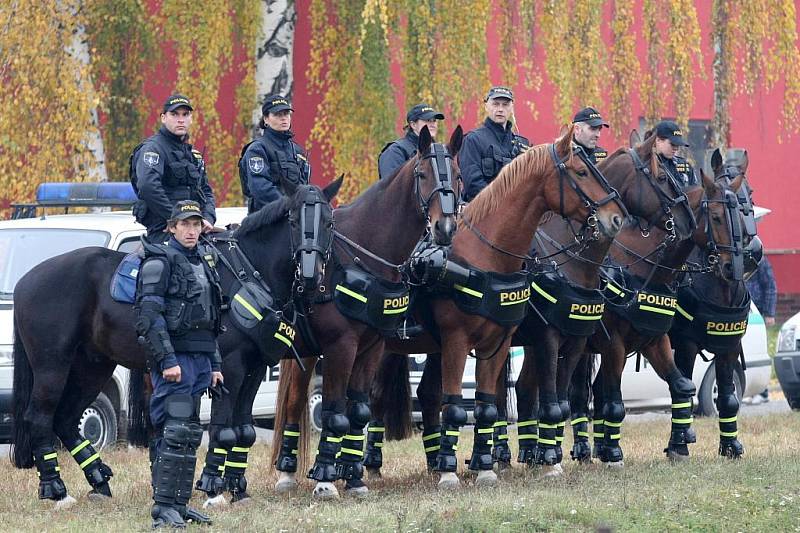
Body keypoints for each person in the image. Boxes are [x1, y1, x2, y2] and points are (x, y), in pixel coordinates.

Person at [135, 200, 224, 528]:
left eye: (196, 224)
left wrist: (214, 363)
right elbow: (149, 316)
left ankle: (180, 503)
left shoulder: (203, 259)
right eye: (184, 224)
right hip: (176, 361)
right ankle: (163, 508)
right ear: (171, 227)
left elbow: (212, 316)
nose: (191, 230)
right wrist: (168, 360)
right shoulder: (160, 261)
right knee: (172, 434)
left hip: (200, 360)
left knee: (187, 435)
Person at [131, 94, 217, 243]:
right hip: (164, 231)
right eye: (174, 114)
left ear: (191, 118)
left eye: (185, 114)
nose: (181, 119)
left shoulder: (192, 154)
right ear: (163, 118)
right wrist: (175, 219)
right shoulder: (153, 149)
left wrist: (208, 218)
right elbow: (148, 187)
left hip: (193, 232)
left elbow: (205, 191)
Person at [239, 94, 310, 213]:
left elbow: (304, 187)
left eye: (286, 114)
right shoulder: (257, 149)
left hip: (295, 218)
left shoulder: (297, 151)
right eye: (278, 114)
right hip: (267, 219)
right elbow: (260, 188)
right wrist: (289, 206)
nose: (284, 118)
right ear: (266, 119)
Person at [459, 86, 530, 202]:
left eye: (505, 105)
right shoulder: (473, 140)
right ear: (486, 106)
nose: (500, 109)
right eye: (496, 104)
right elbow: (473, 184)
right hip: (481, 212)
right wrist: (503, 202)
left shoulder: (522, 145)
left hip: (517, 214)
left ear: (512, 108)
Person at [378, 103, 445, 179]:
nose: (433, 124)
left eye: (434, 120)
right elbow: (391, 187)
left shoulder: (439, 151)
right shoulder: (396, 151)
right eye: (427, 120)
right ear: (413, 125)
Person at [652, 120, 697, 188]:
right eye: (673, 144)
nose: (676, 148)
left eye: (678, 145)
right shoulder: (646, 166)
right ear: (658, 140)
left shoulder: (685, 166)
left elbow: (695, 193)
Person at [746, 255, 777, 327]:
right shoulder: (728, 257)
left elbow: (769, 286)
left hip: (754, 309)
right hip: (734, 308)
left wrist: (769, 314)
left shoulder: (758, 258)